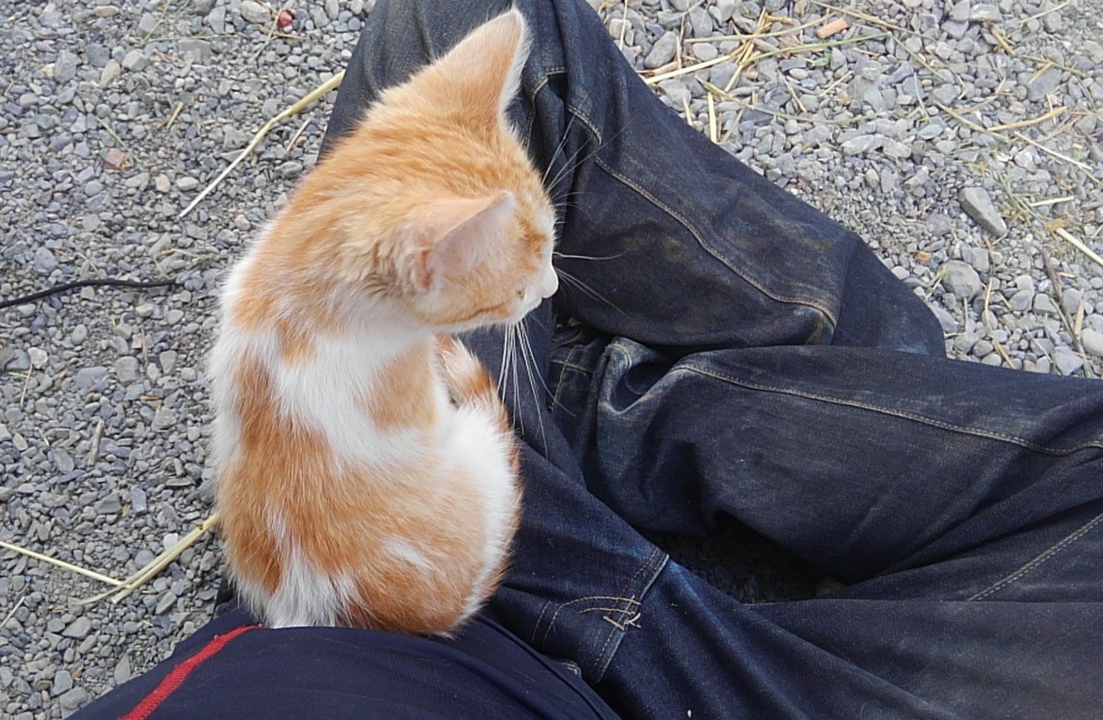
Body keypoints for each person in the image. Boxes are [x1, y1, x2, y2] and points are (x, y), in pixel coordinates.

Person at [73, 1, 1103, 718]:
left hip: (331, 577)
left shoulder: (335, 292)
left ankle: (611, 406)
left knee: (470, 16)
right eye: (526, 285)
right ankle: (848, 397)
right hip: (474, 604)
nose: (547, 285)